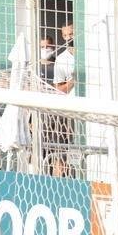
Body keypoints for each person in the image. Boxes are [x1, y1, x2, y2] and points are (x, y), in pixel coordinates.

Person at [45, 23, 76, 177]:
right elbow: (57, 90)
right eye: (65, 35)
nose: (69, 38)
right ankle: (59, 178)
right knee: (62, 151)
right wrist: (73, 82)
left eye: (71, 34)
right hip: (68, 114)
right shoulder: (62, 59)